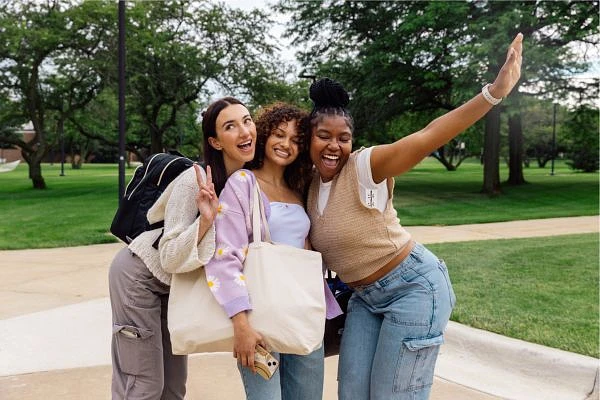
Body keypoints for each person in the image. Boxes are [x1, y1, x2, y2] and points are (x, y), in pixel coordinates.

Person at [304, 34, 523, 400]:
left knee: (394, 395)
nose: (334, 146)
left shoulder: (364, 166)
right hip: (363, 297)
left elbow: (428, 135)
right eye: (323, 136)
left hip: (413, 287)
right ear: (308, 138)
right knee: (352, 394)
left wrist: (493, 93)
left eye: (343, 137)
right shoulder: (307, 185)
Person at [109, 96, 257, 399]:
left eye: (247, 120)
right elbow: (170, 255)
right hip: (140, 278)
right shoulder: (195, 179)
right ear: (215, 142)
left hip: (173, 289)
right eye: (231, 126)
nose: (244, 132)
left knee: (174, 388)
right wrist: (205, 221)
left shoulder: (245, 181)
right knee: (143, 385)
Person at [204, 102, 342, 400]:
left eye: (295, 140)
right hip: (260, 318)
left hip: (304, 312)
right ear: (265, 134)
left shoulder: (300, 189)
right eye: (279, 135)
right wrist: (240, 324)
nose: (286, 144)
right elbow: (224, 258)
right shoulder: (243, 184)